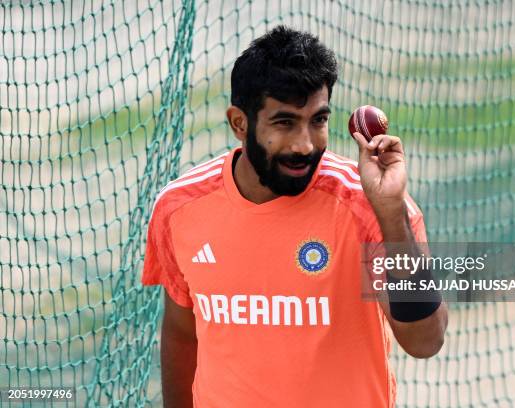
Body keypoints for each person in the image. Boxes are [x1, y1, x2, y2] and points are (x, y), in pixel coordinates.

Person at [142, 25, 448, 407]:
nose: (304, 144)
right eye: (285, 123)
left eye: (318, 120)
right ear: (240, 123)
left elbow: (424, 341)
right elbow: (182, 333)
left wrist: (390, 214)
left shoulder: (369, 206)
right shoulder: (179, 207)